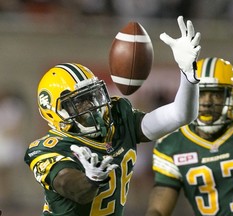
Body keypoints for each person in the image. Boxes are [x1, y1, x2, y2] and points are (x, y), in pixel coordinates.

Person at [24, 15, 201, 216]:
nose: (91, 106)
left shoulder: (118, 120)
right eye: (79, 103)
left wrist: (188, 75)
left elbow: (180, 115)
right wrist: (89, 180)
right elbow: (72, 187)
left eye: (92, 96)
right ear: (54, 110)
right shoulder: (48, 148)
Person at [145, 57, 233, 216]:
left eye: (216, 94)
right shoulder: (172, 143)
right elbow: (159, 206)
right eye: (201, 93)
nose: (206, 102)